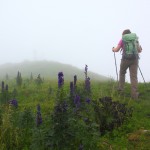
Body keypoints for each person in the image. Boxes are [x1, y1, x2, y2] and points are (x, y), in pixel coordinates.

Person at [112, 29, 142, 99]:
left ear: (124, 34)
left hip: (125, 59)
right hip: (135, 60)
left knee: (122, 73)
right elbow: (139, 50)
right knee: (133, 77)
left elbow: (116, 50)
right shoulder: (135, 39)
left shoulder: (123, 39)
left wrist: (113, 49)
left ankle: (121, 90)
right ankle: (134, 95)